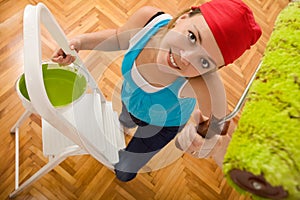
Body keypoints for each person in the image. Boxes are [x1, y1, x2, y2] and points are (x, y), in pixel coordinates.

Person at [52, 0, 262, 182]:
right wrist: (80, 42)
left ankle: (125, 166)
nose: (185, 58)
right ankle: (125, 124)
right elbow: (117, 37)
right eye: (192, 37)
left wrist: (204, 137)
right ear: (184, 17)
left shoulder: (201, 82)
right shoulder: (147, 21)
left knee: (124, 171)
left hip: (162, 126)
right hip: (130, 97)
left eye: (204, 61)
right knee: (126, 118)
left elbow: (219, 121)